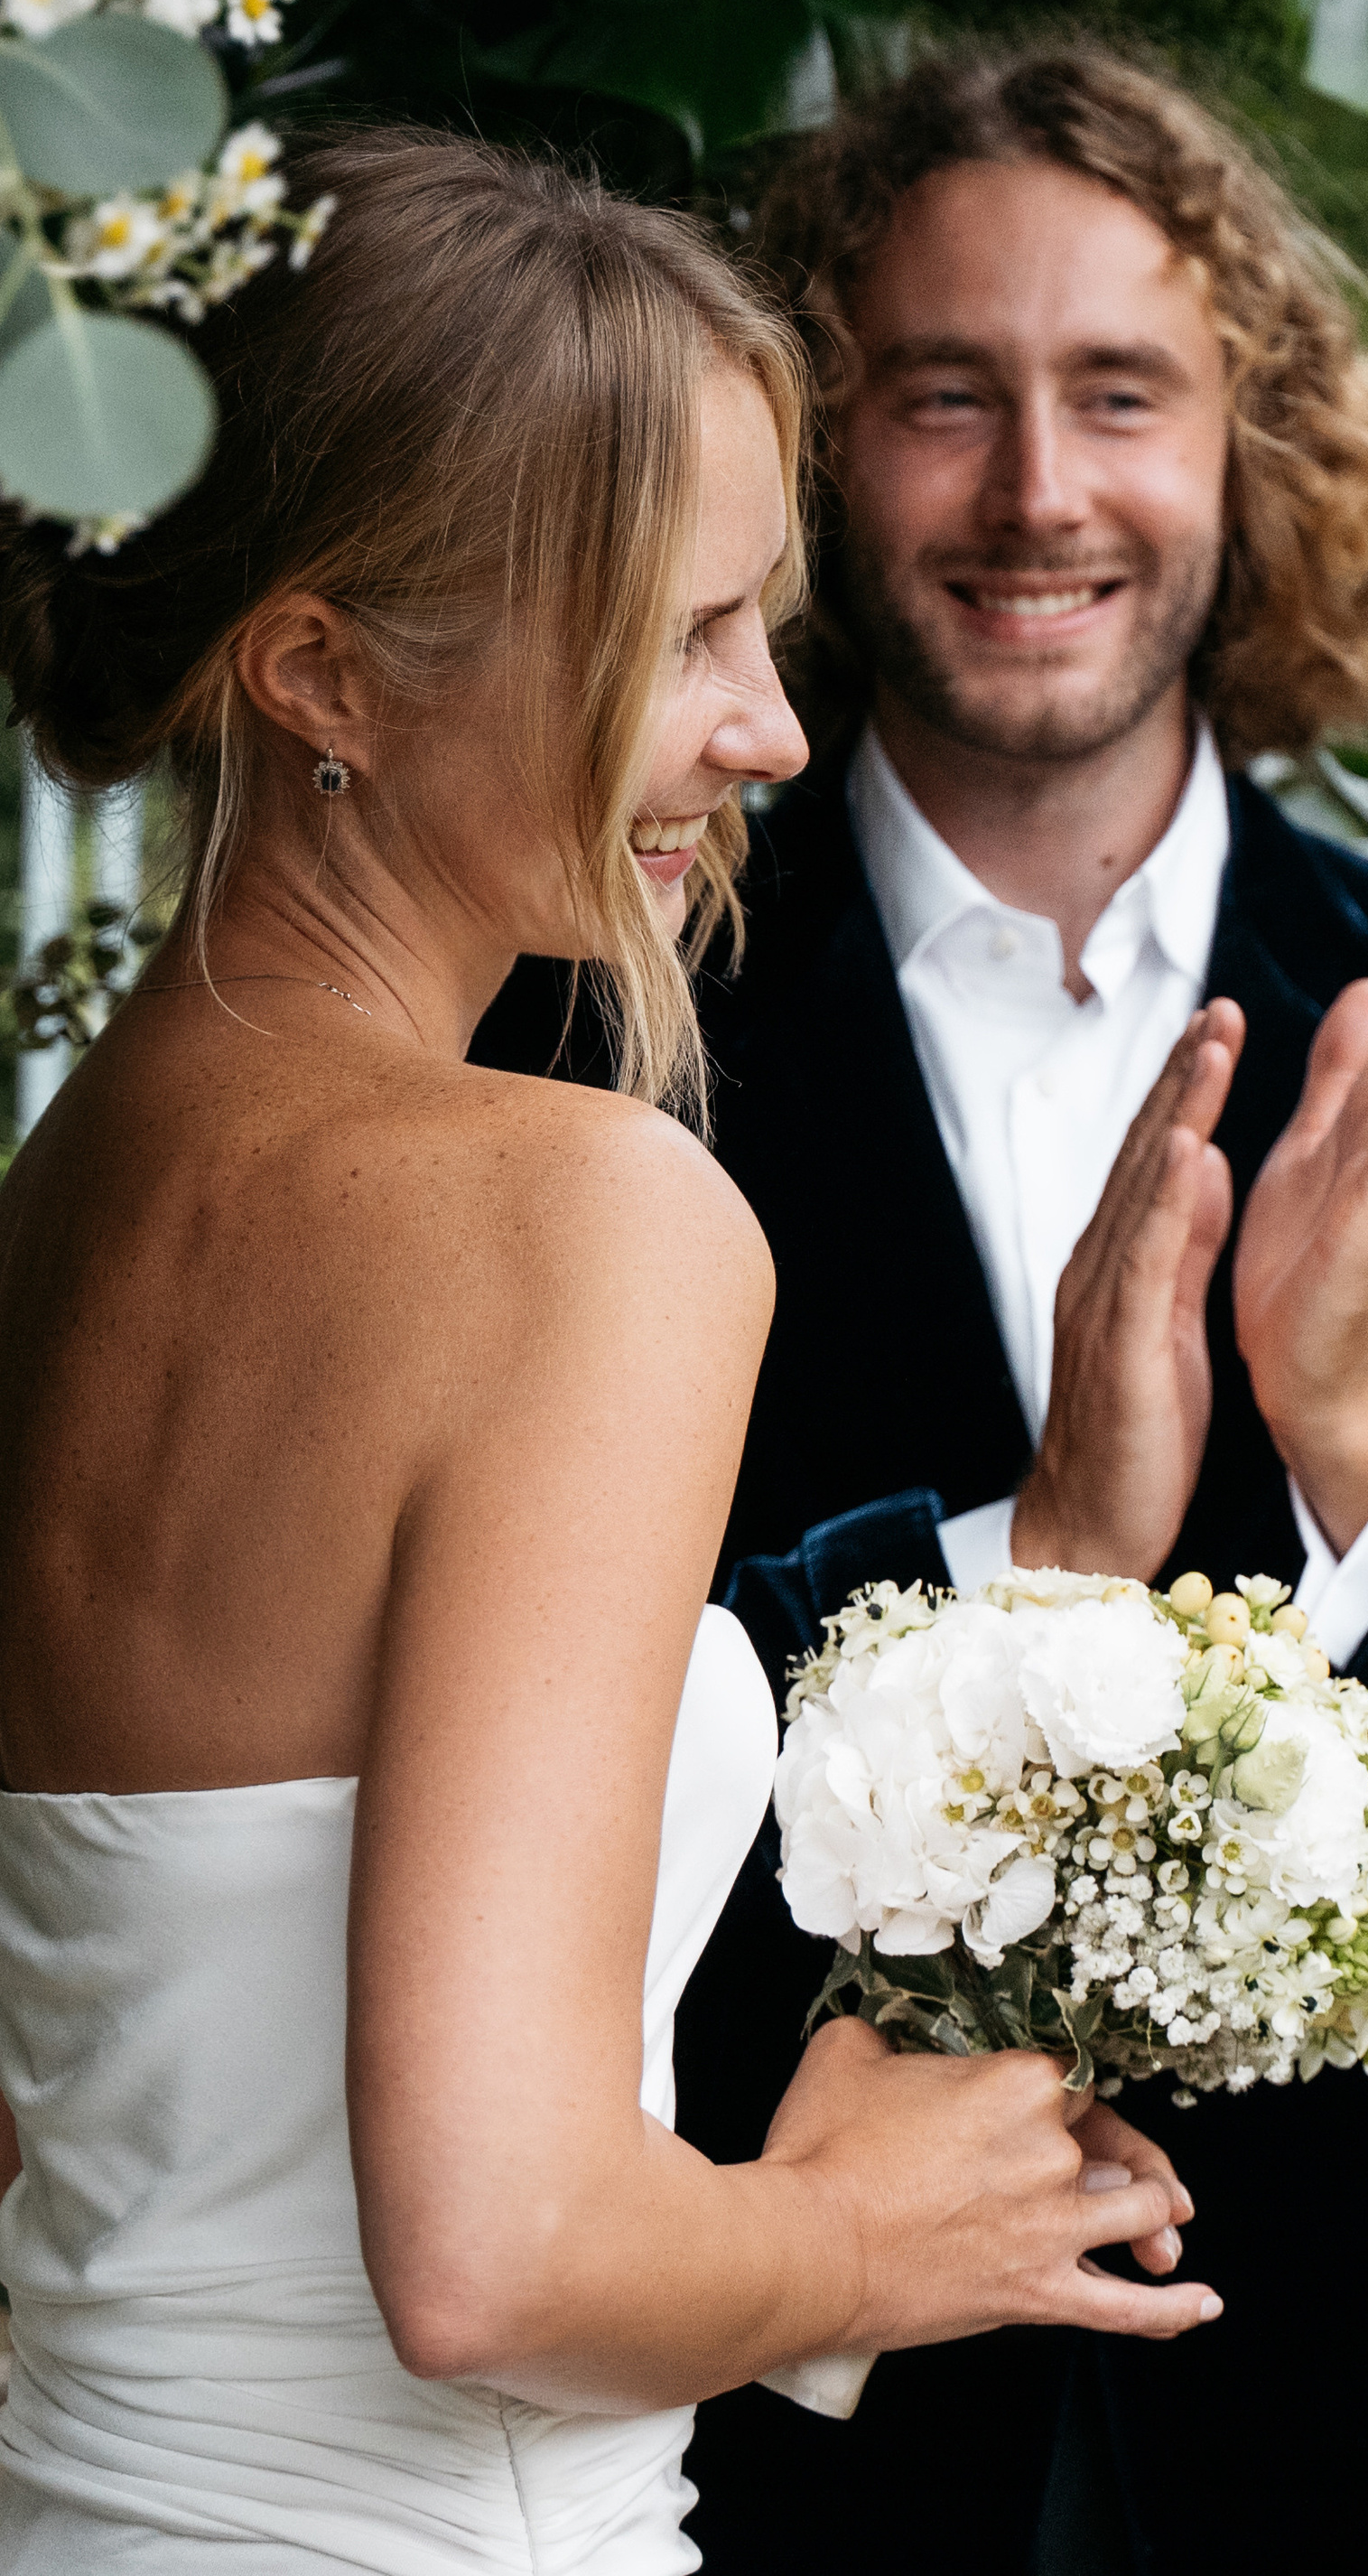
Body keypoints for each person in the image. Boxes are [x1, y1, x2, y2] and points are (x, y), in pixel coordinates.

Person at [479, 40, 1368, 2571]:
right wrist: (1013, 1552)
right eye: (944, 395)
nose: (1039, 490)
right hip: (788, 2472)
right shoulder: (580, 1043)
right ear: (810, 459)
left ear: (1256, 449)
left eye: (1122, 393)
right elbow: (496, 1839)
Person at [0, 127, 1215, 2576]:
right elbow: (496, 2259)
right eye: (687, 639)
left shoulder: (52, 1214)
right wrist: (868, 2238)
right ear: (325, 673)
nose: (773, 731)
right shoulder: (582, 1216)